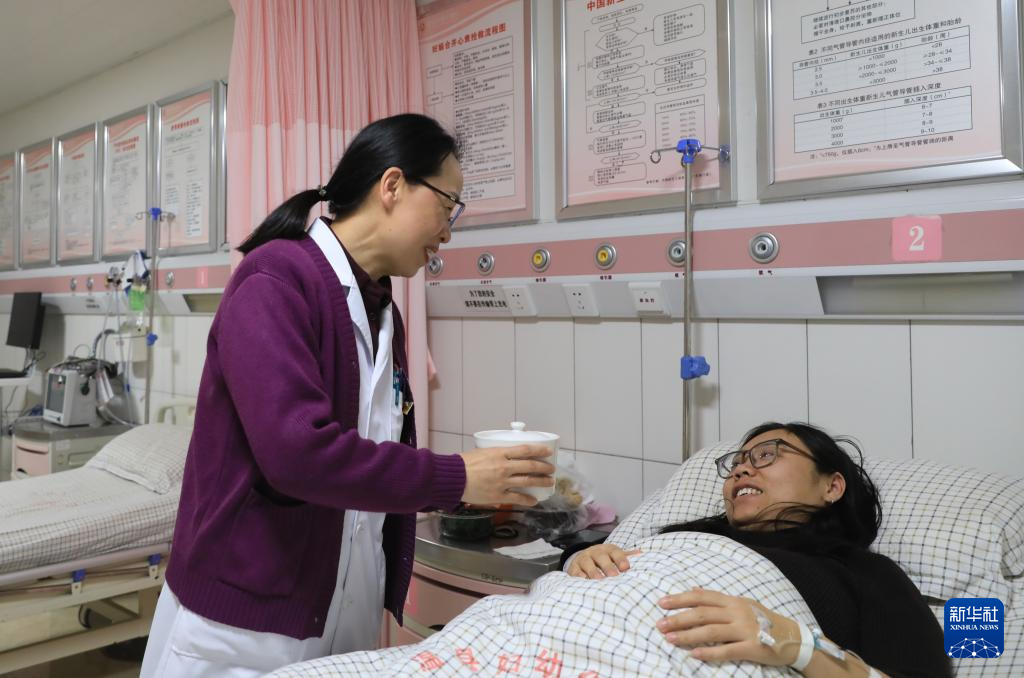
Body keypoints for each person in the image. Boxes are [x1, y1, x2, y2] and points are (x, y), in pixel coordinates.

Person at [140, 113, 554, 677]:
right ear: (392, 185)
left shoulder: (381, 310)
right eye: (447, 205)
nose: (448, 233)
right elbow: (297, 454)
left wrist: (476, 489)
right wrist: (455, 477)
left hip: (341, 606)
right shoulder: (276, 280)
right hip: (247, 623)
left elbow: (366, 454)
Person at [566, 422, 952, 678]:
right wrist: (582, 561)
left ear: (831, 486)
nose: (741, 470)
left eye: (767, 455)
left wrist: (799, 646)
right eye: (736, 463)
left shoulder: (863, 572)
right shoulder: (685, 537)